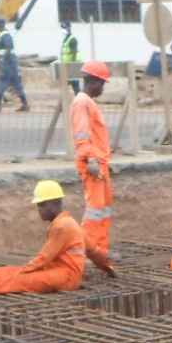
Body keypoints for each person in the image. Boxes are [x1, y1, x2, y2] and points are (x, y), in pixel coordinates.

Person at [0, 181, 107, 296]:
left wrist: (23, 270)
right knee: (6, 271)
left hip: (66, 278)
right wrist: (109, 268)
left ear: (53, 204)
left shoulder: (63, 226)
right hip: (56, 271)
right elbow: (94, 251)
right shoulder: (70, 223)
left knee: (18, 279)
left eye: (40, 205)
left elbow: (45, 257)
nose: (39, 210)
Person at [70, 60, 114, 261]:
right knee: (94, 213)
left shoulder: (87, 102)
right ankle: (85, 254)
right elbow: (82, 135)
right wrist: (91, 160)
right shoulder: (82, 102)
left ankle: (99, 252)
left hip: (100, 164)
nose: (103, 88)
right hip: (94, 164)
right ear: (93, 81)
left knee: (102, 212)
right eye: (102, 84)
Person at [0, 17, 28, 112]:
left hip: (8, 64)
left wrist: (2, 60)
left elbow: (8, 48)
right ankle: (25, 104)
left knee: (2, 83)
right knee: (17, 84)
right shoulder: (3, 35)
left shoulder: (5, 35)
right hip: (11, 64)